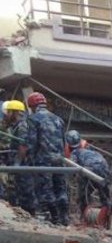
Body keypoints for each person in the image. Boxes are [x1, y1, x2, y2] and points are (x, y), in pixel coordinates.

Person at [26, 92, 69, 225]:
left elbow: (32, 142)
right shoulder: (58, 119)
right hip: (59, 159)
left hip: (43, 160)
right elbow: (63, 142)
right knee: (60, 187)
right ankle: (64, 218)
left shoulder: (33, 119)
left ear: (32, 105)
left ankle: (54, 218)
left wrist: (30, 160)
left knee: (46, 189)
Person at [65, 130, 111, 219]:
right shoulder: (89, 150)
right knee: (105, 196)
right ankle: (106, 219)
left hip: (90, 169)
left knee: (84, 194)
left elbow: (72, 167)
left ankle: (83, 217)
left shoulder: (75, 152)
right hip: (105, 168)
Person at [4, 100, 35, 215]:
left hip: (24, 165)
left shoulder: (22, 125)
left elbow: (23, 145)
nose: (6, 114)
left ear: (15, 112)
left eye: (8, 112)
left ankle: (30, 213)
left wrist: (17, 163)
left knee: (25, 190)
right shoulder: (16, 126)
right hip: (20, 164)